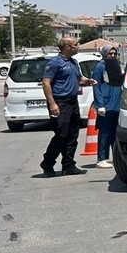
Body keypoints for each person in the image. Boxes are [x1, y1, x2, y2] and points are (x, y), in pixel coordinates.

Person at [39, 38, 96, 177]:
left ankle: (68, 165)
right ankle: (47, 163)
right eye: (75, 44)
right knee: (61, 134)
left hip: (72, 102)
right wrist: (52, 103)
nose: (78, 46)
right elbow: (46, 83)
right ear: (67, 47)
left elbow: (79, 79)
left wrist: (89, 81)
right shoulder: (55, 62)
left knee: (72, 135)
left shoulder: (73, 62)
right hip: (60, 102)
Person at [91, 46, 124, 168]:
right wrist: (100, 105)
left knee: (115, 133)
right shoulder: (100, 67)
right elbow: (96, 86)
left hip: (117, 104)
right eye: (110, 53)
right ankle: (102, 158)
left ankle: (117, 157)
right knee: (105, 132)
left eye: (114, 53)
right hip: (106, 104)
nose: (113, 56)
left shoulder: (116, 66)